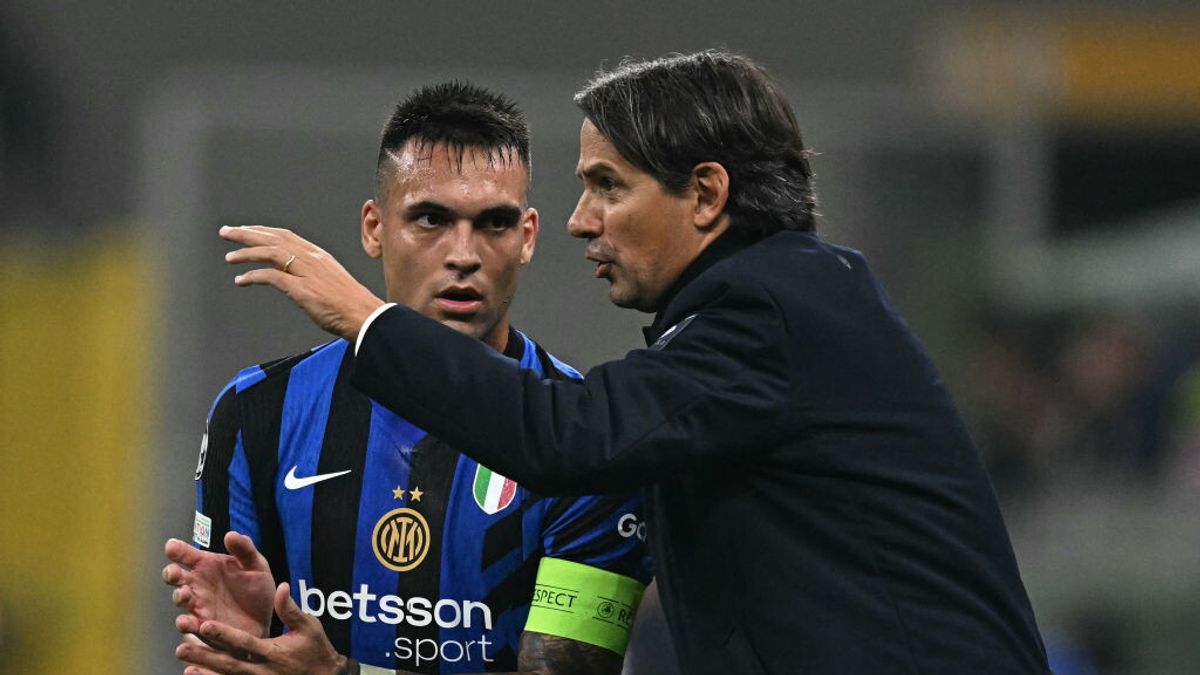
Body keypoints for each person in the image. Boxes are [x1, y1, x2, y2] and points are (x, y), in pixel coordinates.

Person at [220, 51, 1052, 673]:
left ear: (707, 194)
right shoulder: (779, 307)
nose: (582, 220)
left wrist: (365, 318)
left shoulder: (770, 309)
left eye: (608, 186)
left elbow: (564, 434)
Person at [164, 81, 650, 675]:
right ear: (374, 228)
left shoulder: (592, 440)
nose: (463, 255)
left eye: (493, 223)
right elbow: (227, 658)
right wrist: (239, 646)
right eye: (430, 219)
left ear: (527, 238)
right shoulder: (256, 412)